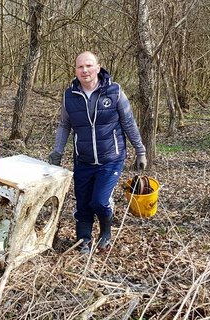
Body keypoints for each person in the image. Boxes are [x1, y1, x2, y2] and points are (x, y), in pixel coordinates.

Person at [48, 51, 146, 254]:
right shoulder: (69, 96)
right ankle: (83, 240)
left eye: (89, 66)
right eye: (80, 67)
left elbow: (128, 122)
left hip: (111, 159)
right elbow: (64, 125)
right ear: (75, 70)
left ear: (98, 67)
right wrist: (57, 152)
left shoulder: (115, 91)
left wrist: (140, 151)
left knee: (100, 201)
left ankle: (105, 234)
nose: (85, 70)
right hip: (83, 160)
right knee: (83, 203)